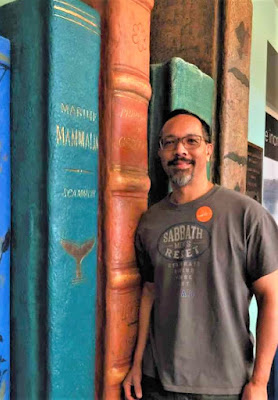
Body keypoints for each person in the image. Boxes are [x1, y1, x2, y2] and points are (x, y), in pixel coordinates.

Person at [123, 110, 278, 400]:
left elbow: (272, 297)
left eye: (190, 141)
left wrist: (259, 382)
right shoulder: (150, 221)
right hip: (157, 383)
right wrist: (135, 364)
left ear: (208, 149)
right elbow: (149, 292)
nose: (179, 150)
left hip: (225, 387)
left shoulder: (247, 216)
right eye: (169, 142)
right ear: (160, 154)